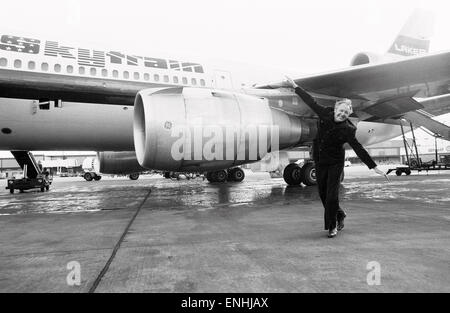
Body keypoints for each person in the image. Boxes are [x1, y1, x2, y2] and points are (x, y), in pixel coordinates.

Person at [285, 76, 389, 238]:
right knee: (323, 194)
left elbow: (358, 147)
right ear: (335, 109)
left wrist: (373, 166)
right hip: (320, 159)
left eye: (346, 113)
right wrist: (295, 87)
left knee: (332, 195)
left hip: (335, 162)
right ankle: (340, 214)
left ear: (348, 114)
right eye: (340, 111)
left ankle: (332, 226)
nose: (342, 114)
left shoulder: (348, 129)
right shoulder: (325, 113)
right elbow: (310, 101)